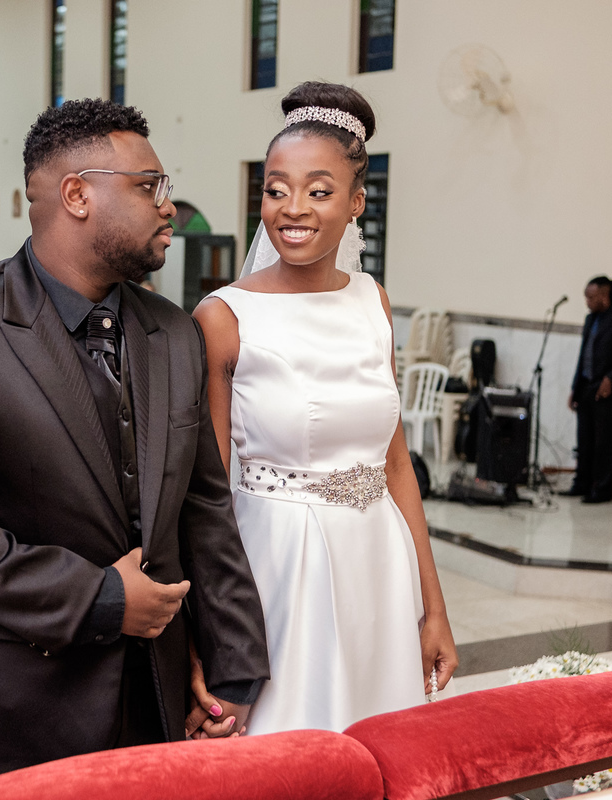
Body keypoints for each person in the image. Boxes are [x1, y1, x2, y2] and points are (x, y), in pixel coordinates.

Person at [0, 98, 269, 783]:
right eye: (148, 186)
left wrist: (235, 667)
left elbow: (205, 508)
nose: (168, 207)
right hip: (14, 699)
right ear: (77, 195)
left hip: (155, 696)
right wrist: (99, 596)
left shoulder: (173, 331)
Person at [193, 82, 457, 735]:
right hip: (280, 568)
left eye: (318, 190)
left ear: (356, 202)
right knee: (293, 744)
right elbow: (207, 496)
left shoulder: (373, 301)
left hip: (379, 561)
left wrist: (433, 608)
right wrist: (205, 640)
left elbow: (396, 466)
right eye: (276, 189)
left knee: (382, 740)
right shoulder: (224, 317)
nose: (293, 208)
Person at [566, 276, 612, 503]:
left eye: (591, 297)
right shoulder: (591, 319)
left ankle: (602, 488)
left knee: (603, 443)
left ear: (604, 296)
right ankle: (582, 483)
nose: (587, 302)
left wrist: (611, 378)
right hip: (586, 387)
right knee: (584, 440)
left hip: (608, 391)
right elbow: (583, 355)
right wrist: (574, 388)